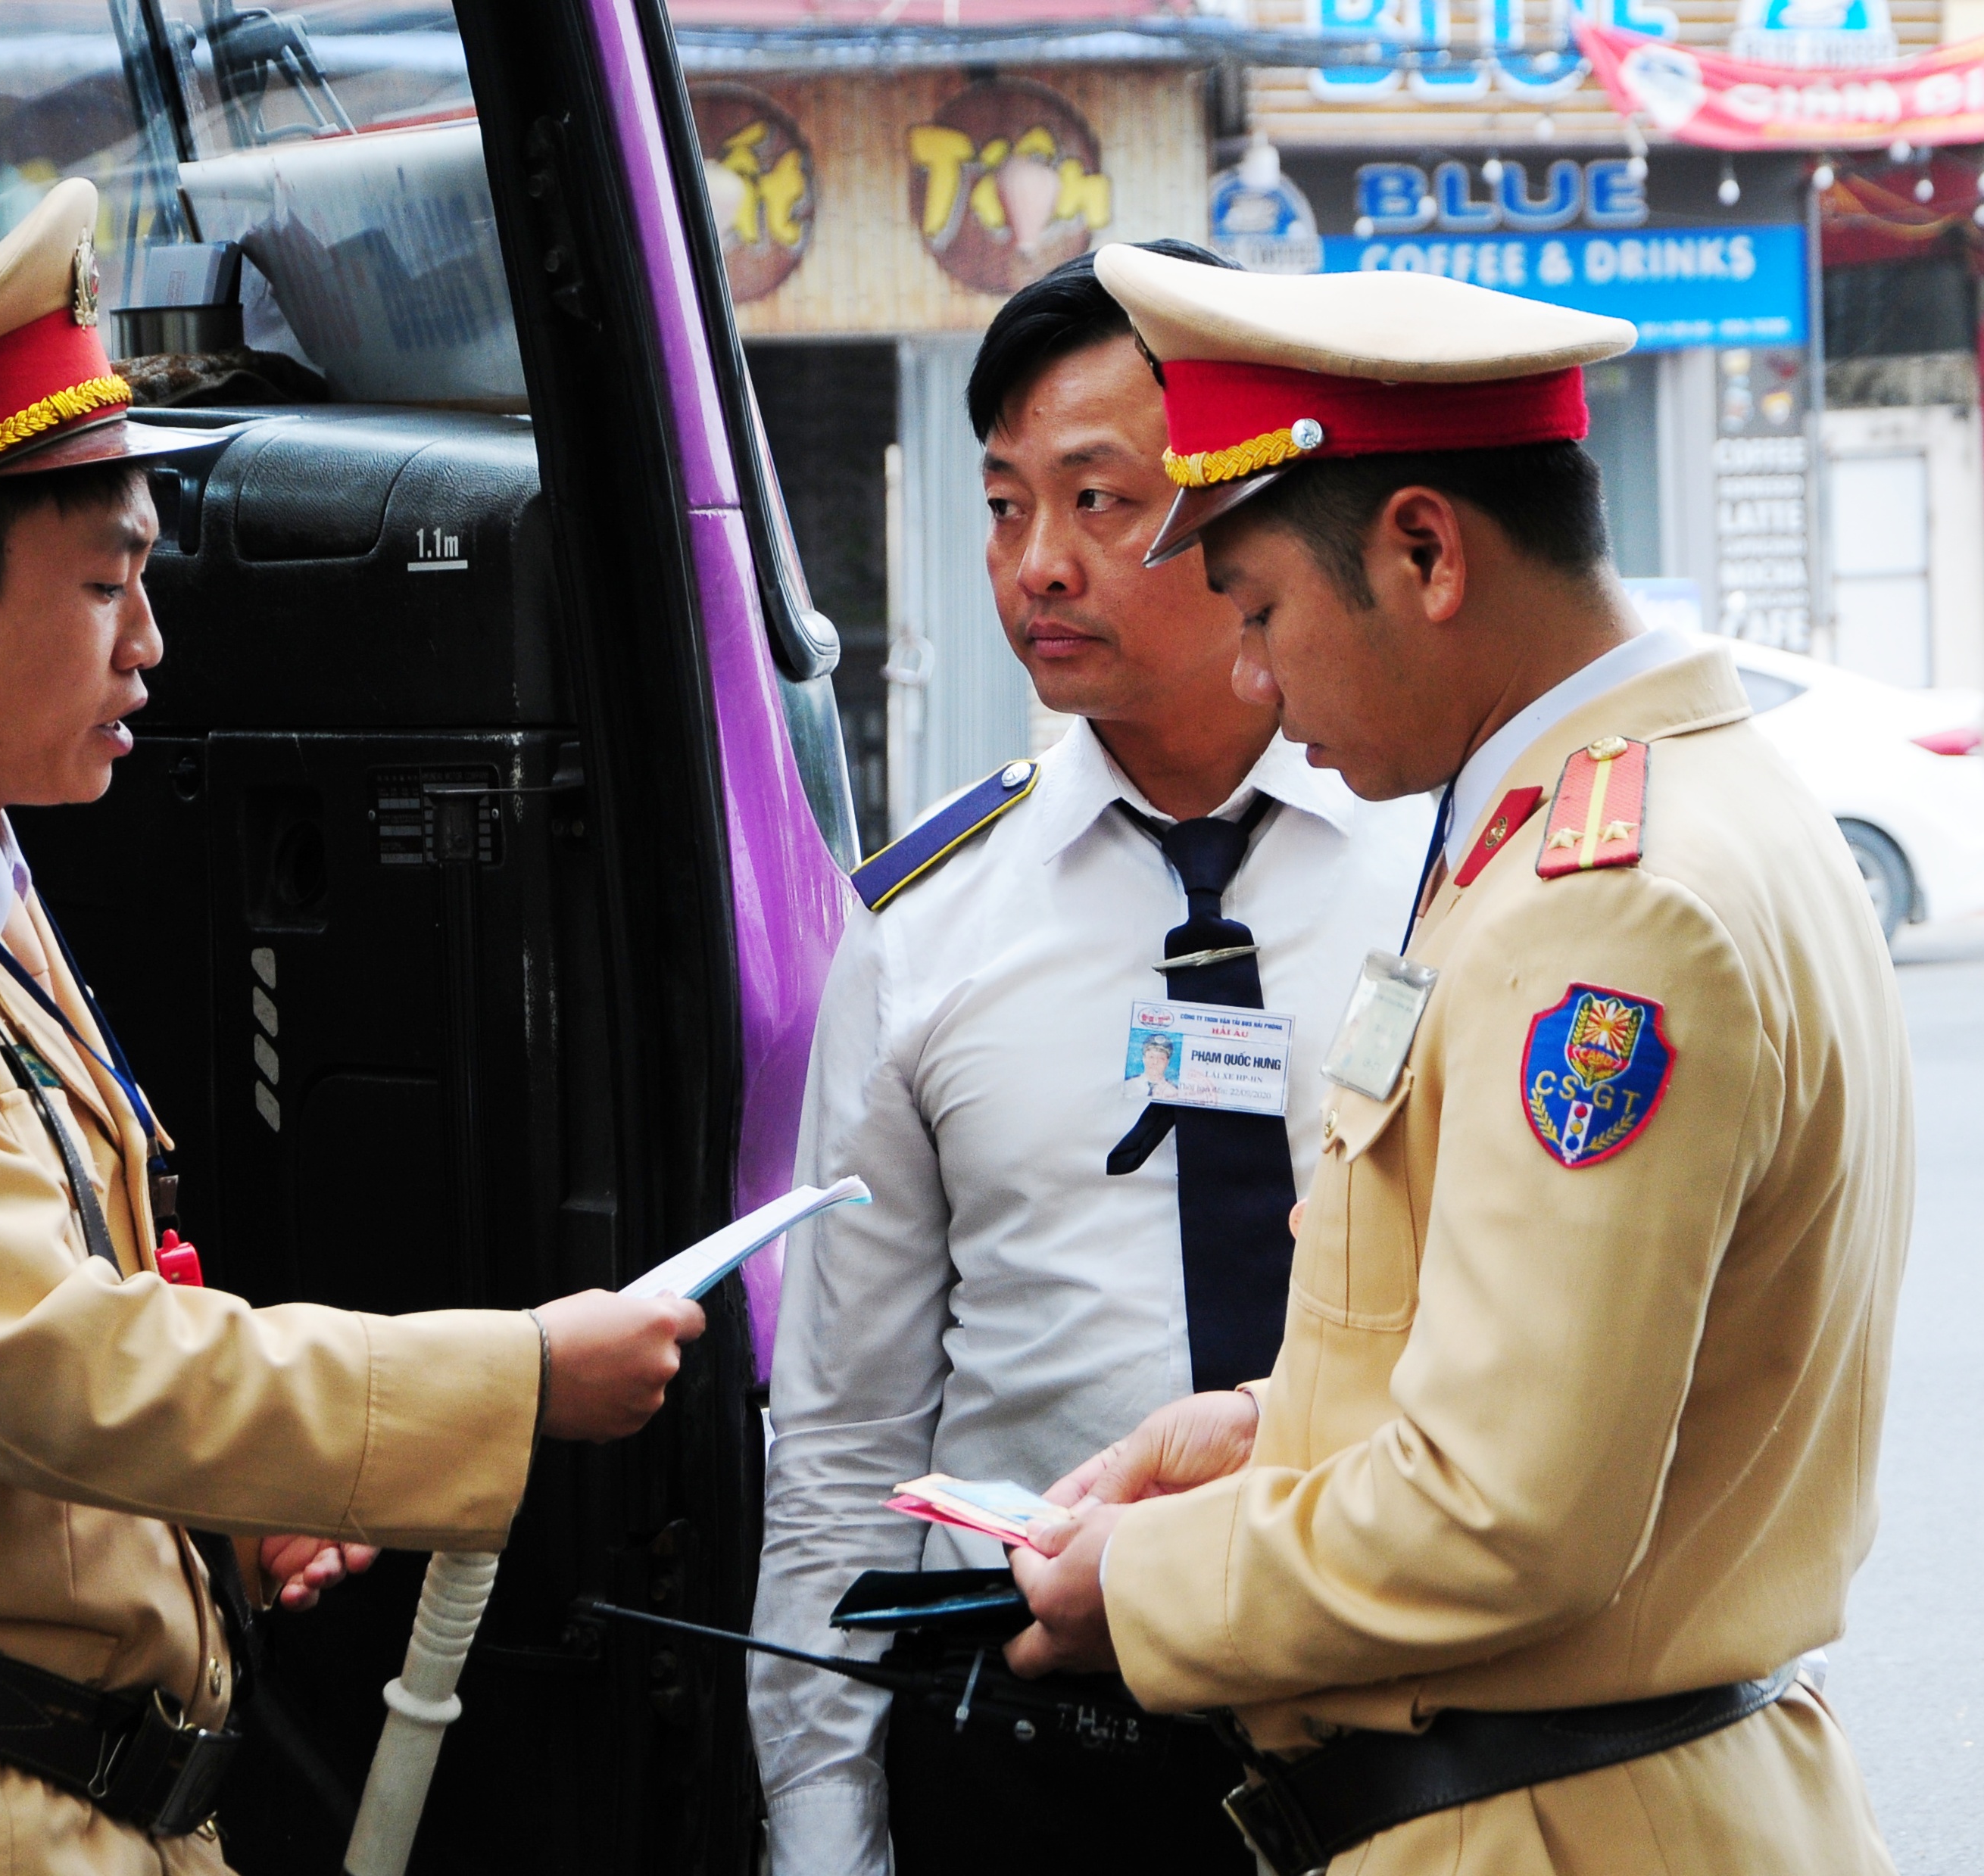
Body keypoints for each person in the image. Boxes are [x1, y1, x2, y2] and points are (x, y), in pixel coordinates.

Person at [0, 179, 704, 1873]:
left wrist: (221, 1495)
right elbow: (51, 1364)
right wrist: (513, 1382)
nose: (154, 641)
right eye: (111, 581)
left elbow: (40, 1343)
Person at [1001, 248, 1910, 1874]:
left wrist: (1139, 1586)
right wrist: (1269, 1432)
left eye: (1263, 611)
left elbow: (1509, 1518)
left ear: (1424, 550)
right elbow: (1586, 1369)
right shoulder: (1659, 811)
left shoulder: (1607, 908)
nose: (1261, 691)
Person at [747, 240, 1431, 1875]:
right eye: (1002, 506)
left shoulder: (1440, 868)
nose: (1037, 565)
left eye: (1102, 501)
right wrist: (825, 1827)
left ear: (1242, 511)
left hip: (1394, 1721)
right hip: (1036, 1744)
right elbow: (845, 1433)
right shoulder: (924, 931)